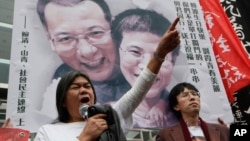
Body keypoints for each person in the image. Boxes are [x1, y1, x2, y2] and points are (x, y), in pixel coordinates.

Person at [34, 17, 181, 141]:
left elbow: (139, 90)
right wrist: (85, 137)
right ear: (63, 101)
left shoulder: (111, 117)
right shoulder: (48, 132)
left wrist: (160, 54)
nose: (84, 89)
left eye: (87, 86)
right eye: (76, 87)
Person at [36, 0, 128, 105]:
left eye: (96, 32)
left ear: (115, 27)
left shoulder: (144, 60)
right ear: (51, 41)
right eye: (65, 38)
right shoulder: (63, 82)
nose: (87, 51)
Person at [111, 8, 180, 128]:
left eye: (161, 55)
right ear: (117, 54)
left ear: (173, 61)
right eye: (135, 52)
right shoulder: (106, 111)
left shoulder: (182, 115)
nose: (148, 65)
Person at [156, 82, 229, 141]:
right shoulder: (165, 135)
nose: (192, 97)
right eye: (185, 95)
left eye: (194, 94)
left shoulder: (223, 130)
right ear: (176, 106)